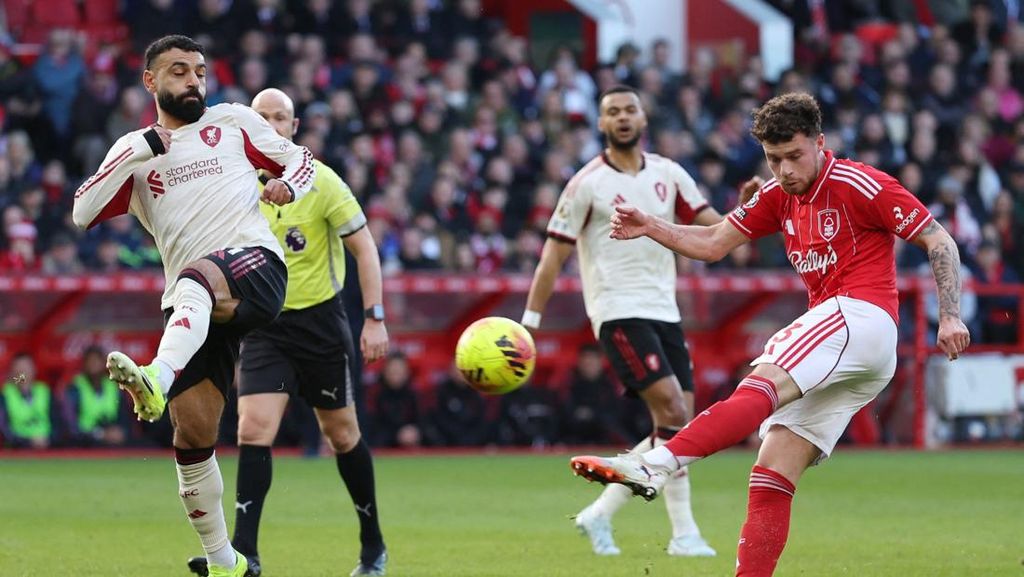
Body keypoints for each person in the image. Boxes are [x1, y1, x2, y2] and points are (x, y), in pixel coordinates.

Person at [570, 92, 971, 577]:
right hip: (855, 354)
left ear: (820, 143)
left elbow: (938, 238)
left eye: (794, 156)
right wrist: (652, 225)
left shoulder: (858, 182)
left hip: (859, 315)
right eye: (773, 158)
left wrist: (950, 314)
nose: (783, 170)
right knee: (772, 466)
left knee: (763, 378)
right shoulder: (778, 196)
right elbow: (715, 242)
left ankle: (656, 464)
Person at [71, 35, 315, 577]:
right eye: (179, 72)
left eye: (199, 71)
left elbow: (301, 158)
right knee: (193, 436)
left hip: (255, 266)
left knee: (197, 276)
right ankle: (225, 562)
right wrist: (139, 149)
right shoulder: (134, 149)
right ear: (151, 82)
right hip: (193, 305)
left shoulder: (231, 121)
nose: (194, 82)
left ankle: (156, 375)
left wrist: (288, 189)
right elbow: (81, 212)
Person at [523, 84, 758, 557]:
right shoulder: (585, 183)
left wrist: (747, 207)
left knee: (677, 427)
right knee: (673, 412)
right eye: (613, 112)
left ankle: (602, 514)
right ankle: (685, 533)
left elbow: (716, 228)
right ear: (601, 124)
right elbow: (552, 258)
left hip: (663, 310)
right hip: (616, 310)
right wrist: (528, 324)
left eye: (630, 109)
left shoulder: (670, 174)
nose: (623, 117)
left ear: (644, 118)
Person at [185, 87, 389, 577]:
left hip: (319, 323)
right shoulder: (232, 182)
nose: (272, 125)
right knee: (253, 428)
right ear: (246, 124)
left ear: (293, 129)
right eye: (263, 117)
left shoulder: (321, 180)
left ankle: (372, 546)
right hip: (264, 324)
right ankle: (243, 555)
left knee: (341, 435)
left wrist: (375, 316)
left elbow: (365, 248)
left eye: (281, 118)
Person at [62, 345, 129, 447]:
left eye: (97, 361)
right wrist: (99, 435)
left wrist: (121, 432)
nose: (94, 365)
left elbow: (124, 418)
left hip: (113, 443)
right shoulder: (75, 389)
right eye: (90, 361)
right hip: (85, 443)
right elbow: (70, 426)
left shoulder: (114, 388)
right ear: (84, 364)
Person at [0, 353, 58, 449]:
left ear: (34, 370)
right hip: (17, 450)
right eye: (19, 368)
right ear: (12, 371)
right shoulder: (4, 395)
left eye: (26, 368)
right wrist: (29, 442)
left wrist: (49, 439)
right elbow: (4, 431)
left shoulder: (45, 392)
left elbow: (59, 425)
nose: (23, 372)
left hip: (48, 448)